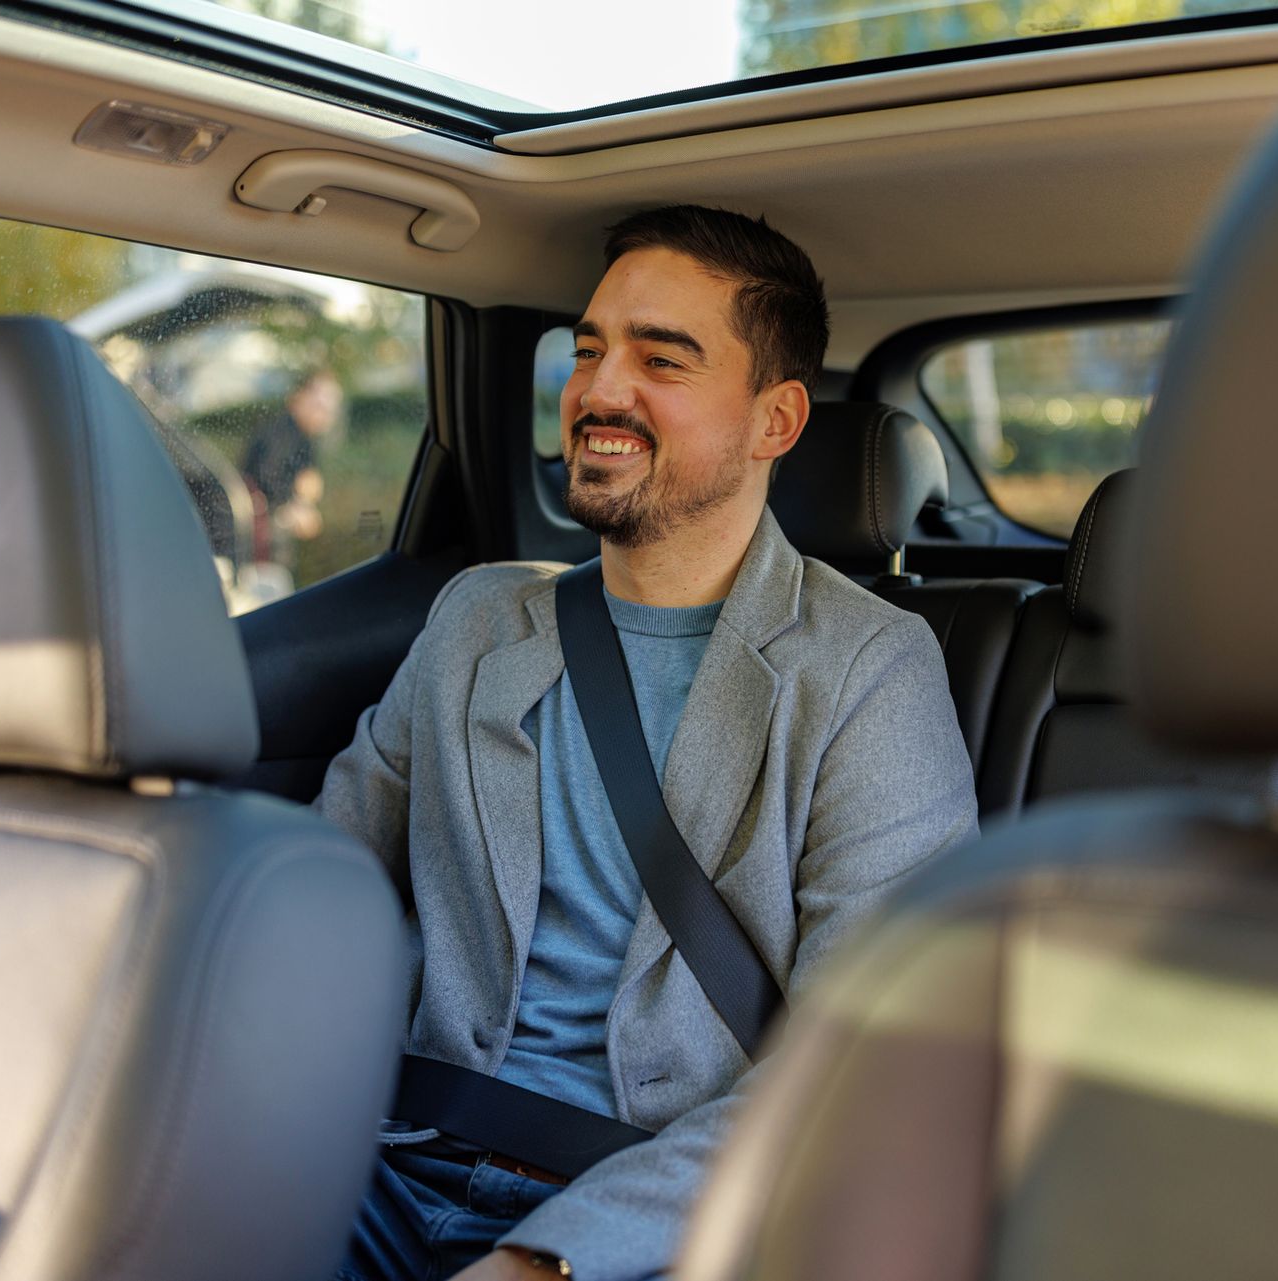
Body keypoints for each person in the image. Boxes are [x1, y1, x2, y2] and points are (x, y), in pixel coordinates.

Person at [316, 205, 978, 1281]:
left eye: (660, 358)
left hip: (657, 1211)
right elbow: (320, 880)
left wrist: (551, 1261)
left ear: (776, 421)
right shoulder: (479, 619)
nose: (599, 391)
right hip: (381, 1159)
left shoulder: (869, 670)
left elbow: (863, 1062)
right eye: (589, 350)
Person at [242, 364, 342, 557]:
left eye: (331, 409)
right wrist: (292, 508)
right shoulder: (280, 433)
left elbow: (307, 481)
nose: (326, 415)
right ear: (299, 397)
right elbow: (265, 479)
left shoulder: (304, 438)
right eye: (320, 406)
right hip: (259, 535)